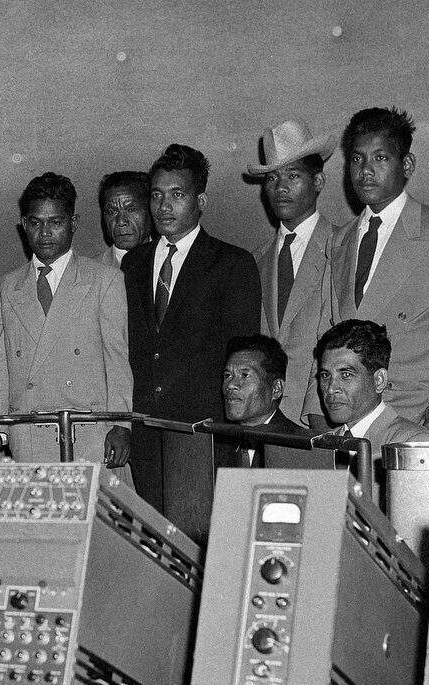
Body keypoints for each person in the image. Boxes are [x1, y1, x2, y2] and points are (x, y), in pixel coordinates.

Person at [327, 106, 429, 440]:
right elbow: (327, 331)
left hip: (413, 417)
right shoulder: (339, 240)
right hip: (346, 423)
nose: (366, 171)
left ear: (407, 165)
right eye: (357, 160)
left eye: (380, 158)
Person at [123, 144, 261, 508]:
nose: (163, 206)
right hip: (145, 432)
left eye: (177, 195)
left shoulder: (232, 264)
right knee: (154, 541)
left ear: (201, 201)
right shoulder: (132, 265)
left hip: (204, 432)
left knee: (200, 542)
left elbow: (240, 357)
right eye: (156, 195)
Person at [0, 172, 131, 470]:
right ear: (24, 225)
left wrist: (121, 424)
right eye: (36, 223)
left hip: (88, 434)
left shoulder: (105, 280)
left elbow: (117, 360)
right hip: (29, 436)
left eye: (56, 222)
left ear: (73, 224)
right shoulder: (5, 288)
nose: (45, 233)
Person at [246, 119, 340, 427]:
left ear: (318, 182)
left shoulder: (344, 249)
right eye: (272, 178)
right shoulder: (254, 261)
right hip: (265, 423)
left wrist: (321, 417)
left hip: (323, 420)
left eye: (293, 175)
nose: (281, 187)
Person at [315, 319, 429, 456]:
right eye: (325, 375)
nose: (331, 388)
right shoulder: (323, 444)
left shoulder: (414, 444)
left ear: (379, 380)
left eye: (346, 374)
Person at [221, 335, 306, 432]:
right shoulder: (220, 441)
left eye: (245, 375)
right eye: (228, 375)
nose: (230, 385)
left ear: (276, 389)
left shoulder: (296, 443)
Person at [95, 170, 153, 269]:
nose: (121, 221)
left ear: (151, 211)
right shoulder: (90, 272)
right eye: (112, 212)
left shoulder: (172, 263)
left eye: (131, 209)